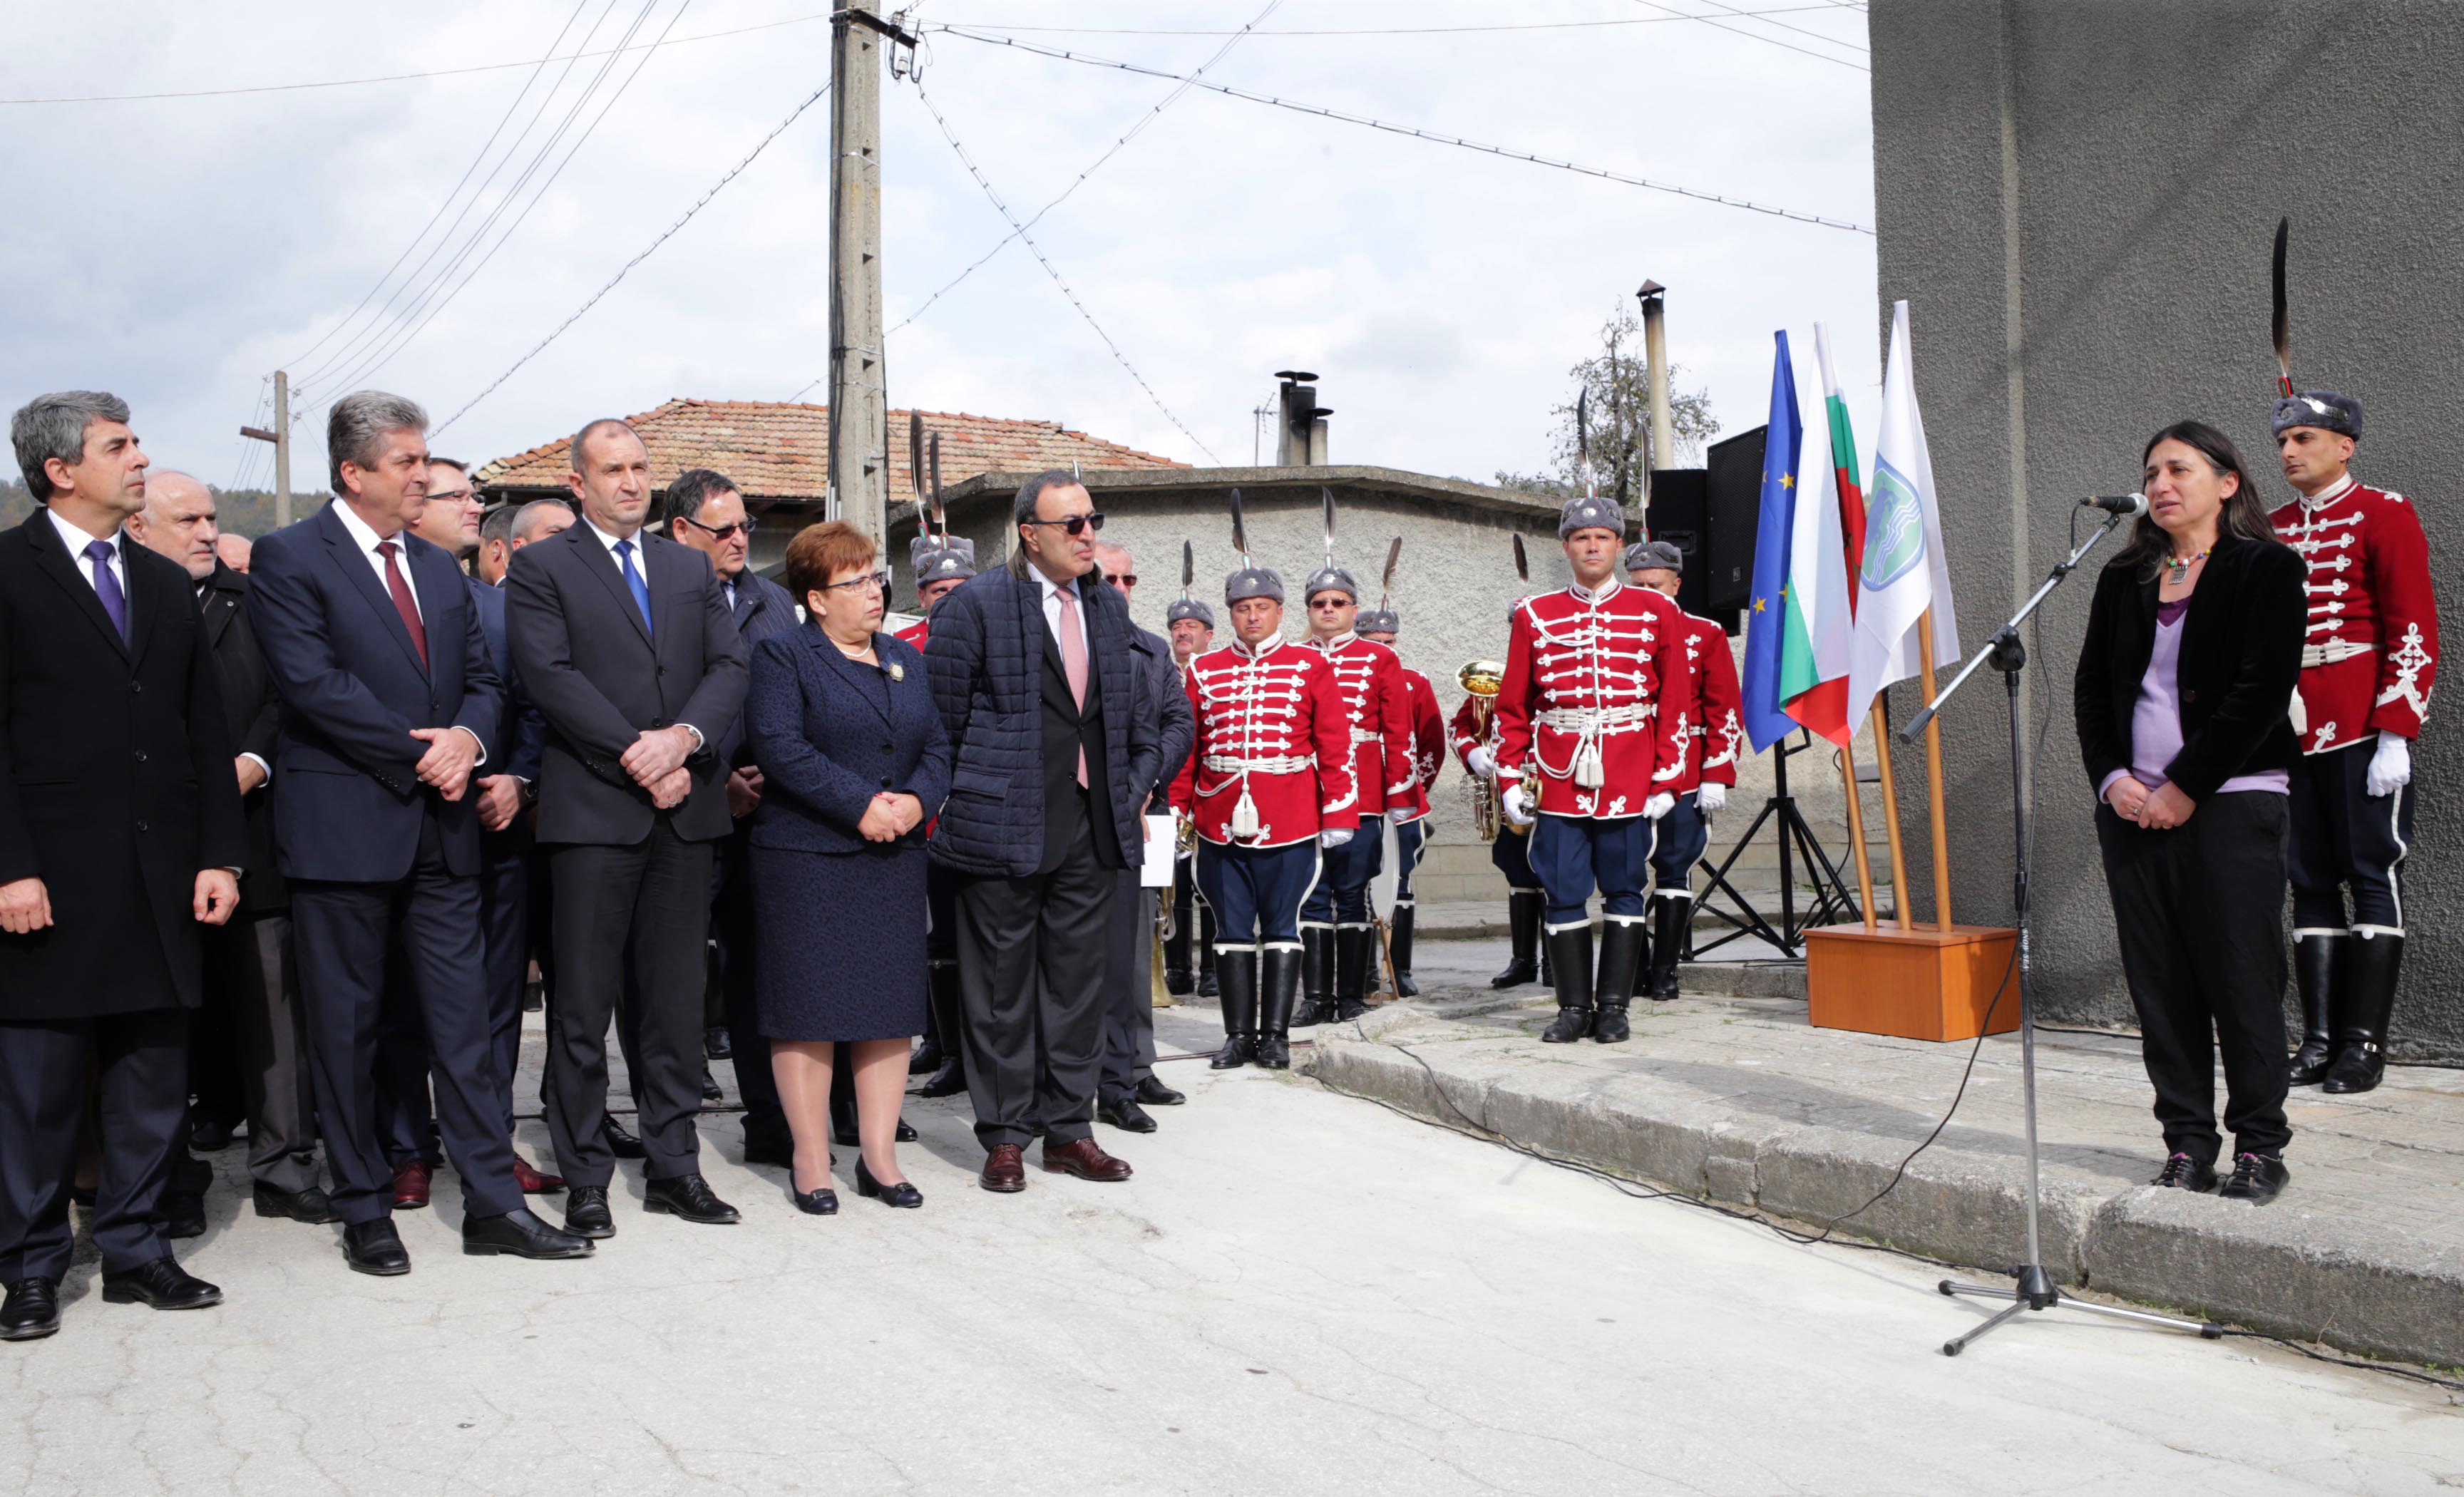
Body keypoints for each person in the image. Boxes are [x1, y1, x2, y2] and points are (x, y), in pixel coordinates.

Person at [249, 391, 588, 1274]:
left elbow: (483, 677)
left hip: (444, 839)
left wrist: (469, 741)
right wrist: (423, 753)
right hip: (343, 832)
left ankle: (493, 1205)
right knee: (348, 1030)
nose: (423, 475)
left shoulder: (440, 568)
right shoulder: (290, 559)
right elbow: (312, 687)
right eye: (405, 462)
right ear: (352, 473)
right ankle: (363, 1206)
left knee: (467, 1027)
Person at [0, 393, 245, 1340]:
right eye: (119, 445)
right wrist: (10, 868)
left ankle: (138, 1251)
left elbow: (203, 730)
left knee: (151, 1077)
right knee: (38, 1089)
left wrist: (221, 853)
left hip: (163, 874)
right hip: (48, 881)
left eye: (136, 439)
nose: (139, 457)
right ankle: (28, 1267)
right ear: (61, 470)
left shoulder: (160, 580)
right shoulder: (9, 576)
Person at [508, 418, 749, 1237]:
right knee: (580, 1008)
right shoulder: (542, 567)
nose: (631, 482)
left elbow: (729, 667)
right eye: (612, 469)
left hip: (685, 810)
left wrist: (683, 740)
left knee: (675, 1004)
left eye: (641, 468)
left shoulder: (688, 566)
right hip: (594, 815)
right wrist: (635, 751)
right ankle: (585, 1175)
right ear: (578, 483)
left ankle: (675, 1166)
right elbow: (549, 675)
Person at [2075, 421, 2303, 1205]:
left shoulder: (2266, 568)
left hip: (2233, 802)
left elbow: (2260, 693)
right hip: (2133, 810)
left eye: (2179, 469)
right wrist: (2113, 780)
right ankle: (2186, 1143)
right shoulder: (2124, 577)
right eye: (2152, 471)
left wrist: (2185, 785)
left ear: (2227, 482)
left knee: (2239, 975)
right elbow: (2093, 694)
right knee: (2161, 985)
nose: (2162, 483)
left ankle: (2260, 1148)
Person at [923, 470, 1159, 1193]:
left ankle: (1069, 1130)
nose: (1090, 535)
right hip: (1001, 827)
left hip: (1092, 828)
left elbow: (1124, 718)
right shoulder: (977, 607)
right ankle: (1004, 1135)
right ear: (1031, 534)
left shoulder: (1108, 611)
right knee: (999, 990)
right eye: (1074, 525)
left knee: (1078, 988)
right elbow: (943, 721)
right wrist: (965, 801)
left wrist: (1126, 790)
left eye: (1093, 520)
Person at [125, 472, 330, 1226]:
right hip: (152, 848)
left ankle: (284, 1166)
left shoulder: (253, 605)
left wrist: (254, 762)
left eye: (213, 518)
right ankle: (169, 1179)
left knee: (273, 1012)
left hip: (254, 836)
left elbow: (287, 696)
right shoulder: (123, 609)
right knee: (158, 1025)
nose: (209, 532)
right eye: (189, 520)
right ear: (140, 528)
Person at [366, 457, 563, 1209]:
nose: (474, 507)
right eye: (458, 495)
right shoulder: (367, 598)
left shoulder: (502, 608)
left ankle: (488, 1141)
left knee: (495, 1001)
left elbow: (535, 708)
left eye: (477, 497)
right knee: (402, 1000)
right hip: (400, 824)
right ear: (410, 507)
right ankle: (407, 1147)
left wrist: (519, 780)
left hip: (495, 827)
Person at [745, 522, 948, 1213]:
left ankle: (879, 1158)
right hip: (810, 858)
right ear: (814, 598)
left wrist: (918, 802)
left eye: (875, 578)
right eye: (854, 582)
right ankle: (810, 1158)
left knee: (888, 1010)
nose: (873, 592)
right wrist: (860, 804)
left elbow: (937, 746)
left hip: (893, 858)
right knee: (808, 1010)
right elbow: (779, 746)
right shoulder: (784, 657)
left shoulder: (903, 657)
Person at [2267, 392, 2439, 1096]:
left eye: (2304, 437)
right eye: (2282, 440)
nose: (2288, 452)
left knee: (2372, 872)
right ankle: (2317, 1041)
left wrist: (2398, 731)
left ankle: (2363, 1044)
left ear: (2346, 445)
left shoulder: (2385, 513)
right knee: (2307, 879)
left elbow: (2414, 629)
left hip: (2365, 725)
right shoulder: (2270, 530)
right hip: (2291, 730)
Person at [1491, 496, 1693, 1045]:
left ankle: (1613, 1008)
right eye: (1581, 538)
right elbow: (1513, 708)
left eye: (1603, 537)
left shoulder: (1658, 612)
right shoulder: (1535, 615)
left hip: (1629, 772)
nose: (1592, 546)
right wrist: (1510, 780)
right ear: (1566, 548)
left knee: (1626, 890)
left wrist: (1668, 780)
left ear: (1618, 546)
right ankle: (1572, 1009)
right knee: (1562, 893)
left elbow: (1676, 703)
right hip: (1558, 776)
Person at [1174, 537, 1356, 1069]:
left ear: (1279, 611)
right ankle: (1237, 1037)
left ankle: (1274, 1036)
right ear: (1230, 614)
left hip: (1292, 818)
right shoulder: (1203, 671)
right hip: (1219, 819)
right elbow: (1190, 750)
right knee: (1230, 932)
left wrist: (1339, 814)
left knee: (1282, 927)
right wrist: (1180, 812)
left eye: (1261, 608)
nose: (1252, 617)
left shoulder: (1309, 666)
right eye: (1241, 608)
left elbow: (1335, 745)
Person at [662, 468, 799, 1155]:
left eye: (747, 526)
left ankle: (770, 1122)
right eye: (727, 529)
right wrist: (715, 787)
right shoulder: (655, 598)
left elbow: (790, 699)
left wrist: (766, 781)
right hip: (680, 811)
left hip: (763, 818)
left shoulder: (771, 603)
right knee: (674, 980)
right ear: (682, 531)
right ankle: (672, 1134)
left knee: (757, 976)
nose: (742, 538)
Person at [1294, 538, 1420, 1025]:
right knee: (1309, 895)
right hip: (1304, 795)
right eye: (1319, 603)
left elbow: (1398, 732)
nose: (1329, 610)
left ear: (1353, 608)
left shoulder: (1378, 659)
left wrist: (1398, 795)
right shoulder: (1294, 656)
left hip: (1363, 793)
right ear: (1309, 610)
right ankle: (1315, 999)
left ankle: (1350, 997)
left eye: (1338, 603)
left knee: (1352, 895)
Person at [1090, 540, 1194, 1134]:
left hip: (1147, 811)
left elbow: (1179, 722)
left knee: (1139, 946)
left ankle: (1136, 1064)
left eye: (1130, 579)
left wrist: (1146, 779)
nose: (1122, 589)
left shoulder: (1154, 651)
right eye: (1112, 578)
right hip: (1085, 815)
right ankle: (1094, 1071)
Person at [1624, 540, 1745, 1000]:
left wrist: (1717, 772)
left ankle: (1665, 971)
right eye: (1637, 585)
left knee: (1674, 869)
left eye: (1655, 586)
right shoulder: (1615, 632)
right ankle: (1630, 969)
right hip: (1628, 770)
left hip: (1689, 769)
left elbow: (1723, 709)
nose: (1647, 594)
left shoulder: (1705, 633)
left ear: (1676, 584)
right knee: (1623, 872)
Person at [895, 530, 976, 1099]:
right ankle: (943, 1043)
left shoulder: (993, 632)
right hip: (925, 808)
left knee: (974, 936)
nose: (947, 597)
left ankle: (974, 1048)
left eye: (958, 587)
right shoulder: (903, 647)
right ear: (922, 596)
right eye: (937, 588)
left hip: (978, 804)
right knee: (933, 936)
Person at [1453, 623, 1549, 990]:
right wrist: (1472, 752)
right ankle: (1524, 962)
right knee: (1517, 870)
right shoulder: (1499, 681)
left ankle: (1557, 964)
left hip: (1554, 786)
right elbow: (1458, 727)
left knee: (1555, 873)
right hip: (1510, 791)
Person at [1355, 605, 1444, 997]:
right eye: (1374, 643)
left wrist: (1411, 790)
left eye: (1389, 643)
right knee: (1354, 888)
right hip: (1357, 800)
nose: (1384, 650)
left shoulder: (1414, 682)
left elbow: (1431, 743)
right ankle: (1361, 971)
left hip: (1402, 803)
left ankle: (1400, 969)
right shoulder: (1344, 678)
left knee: (1401, 883)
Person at [1161, 595, 1219, 999]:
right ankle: (1178, 968)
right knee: (1175, 885)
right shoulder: (1161, 673)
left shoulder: (1217, 676)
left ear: (1209, 635)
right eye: (1177, 627)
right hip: (1172, 793)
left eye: (1192, 626)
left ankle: (1214, 969)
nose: (1183, 632)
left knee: (1213, 886)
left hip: (1212, 793)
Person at [477, 498, 574, 587]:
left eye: (575, 534)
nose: (571, 540)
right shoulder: (513, 599)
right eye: (555, 532)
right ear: (520, 546)